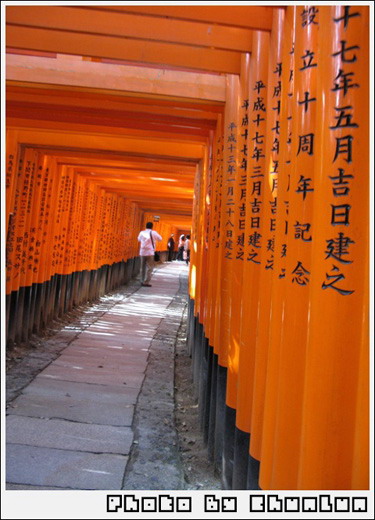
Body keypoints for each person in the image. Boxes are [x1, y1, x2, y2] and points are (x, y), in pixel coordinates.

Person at [137, 222, 162, 287]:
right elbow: (160, 239)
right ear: (152, 226)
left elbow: (138, 239)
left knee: (142, 267)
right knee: (150, 267)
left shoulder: (142, 233)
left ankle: (141, 281)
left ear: (146, 226)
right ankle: (146, 281)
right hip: (150, 252)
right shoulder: (154, 233)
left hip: (142, 252)